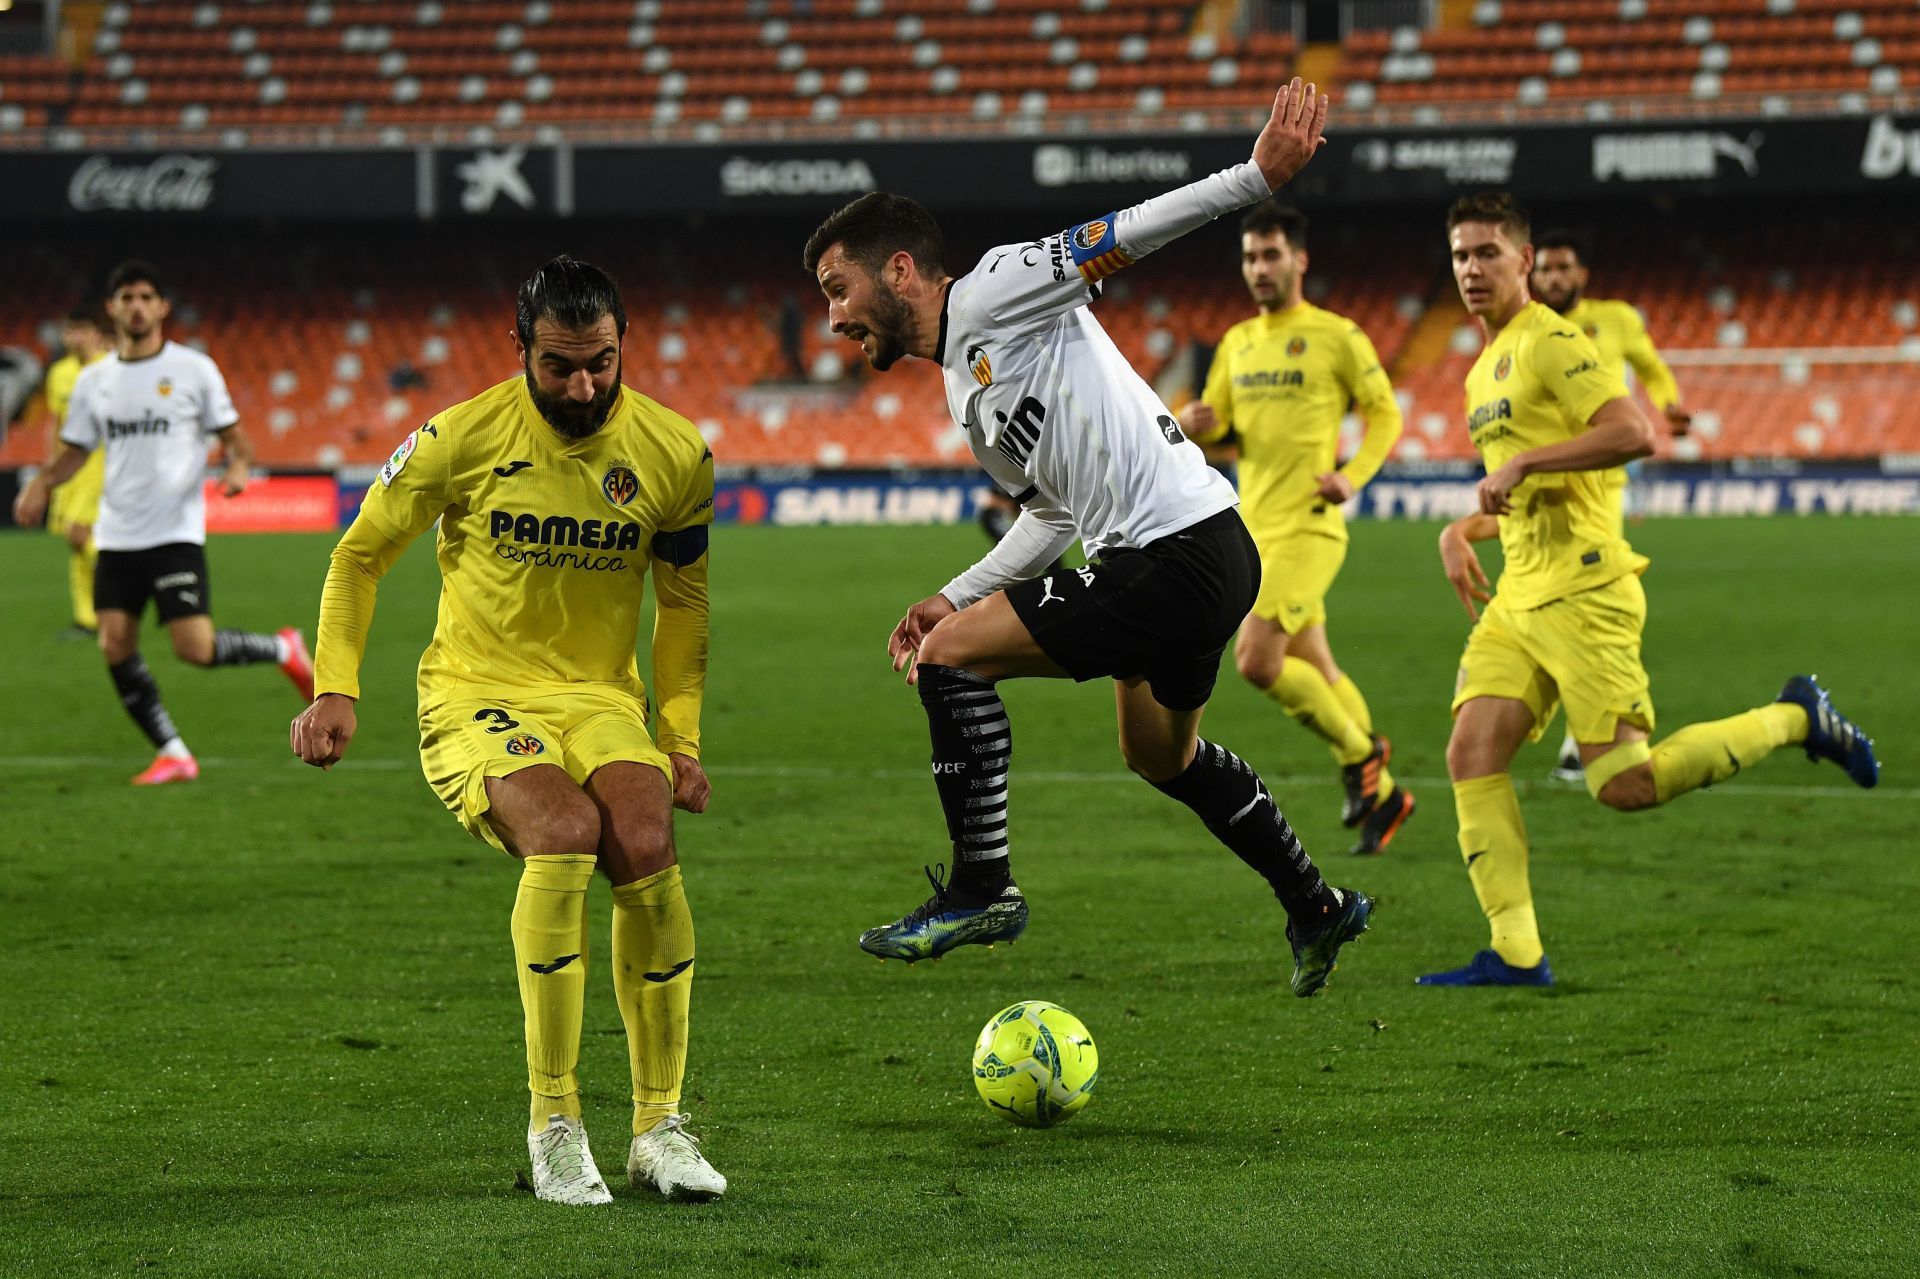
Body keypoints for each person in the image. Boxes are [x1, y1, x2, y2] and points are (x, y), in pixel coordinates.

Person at [802, 78, 1374, 998]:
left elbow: (1124, 234)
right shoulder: (964, 390)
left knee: (948, 662)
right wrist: (953, 592)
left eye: (840, 289)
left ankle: (982, 886)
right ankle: (1315, 902)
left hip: (1177, 549)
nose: (833, 317)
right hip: (1198, 552)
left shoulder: (994, 286)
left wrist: (1254, 179)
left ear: (900, 269)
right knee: (1159, 756)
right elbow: (1053, 515)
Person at [288, 256, 725, 1206]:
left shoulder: (676, 452)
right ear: (518, 345)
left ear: (622, 345)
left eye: (601, 363)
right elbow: (359, 556)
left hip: (599, 696)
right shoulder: (460, 436)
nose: (583, 386)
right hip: (476, 691)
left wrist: (679, 737)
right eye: (561, 365)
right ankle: (555, 1123)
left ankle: (659, 1127)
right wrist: (336, 687)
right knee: (566, 832)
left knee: (647, 842)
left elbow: (684, 604)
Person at [1421, 194, 1879, 989]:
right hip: (1521, 596)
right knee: (1470, 749)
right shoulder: (1480, 369)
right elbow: (1519, 493)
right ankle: (1517, 952)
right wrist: (1462, 528)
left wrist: (1525, 463)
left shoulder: (1553, 342)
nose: (1471, 269)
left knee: (1623, 783)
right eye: (1460, 255)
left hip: (1585, 592)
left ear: (1525, 261)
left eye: (1487, 253)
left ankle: (1796, 716)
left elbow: (1633, 432)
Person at [11, 261, 314, 785]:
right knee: (113, 644)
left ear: (161, 308)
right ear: (113, 308)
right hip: (118, 534)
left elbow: (238, 440)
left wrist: (239, 468)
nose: (136, 306)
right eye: (126, 297)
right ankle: (174, 752)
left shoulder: (194, 370)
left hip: (174, 533)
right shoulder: (93, 382)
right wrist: (41, 484)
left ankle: (284, 648)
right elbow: (74, 452)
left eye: (146, 297)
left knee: (194, 650)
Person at [1179, 202, 1413, 855]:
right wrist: (1204, 425)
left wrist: (1353, 474)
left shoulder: (1337, 335)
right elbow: (1226, 430)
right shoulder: (1235, 343)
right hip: (1253, 528)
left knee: (1255, 659)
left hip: (1310, 525)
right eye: (1251, 257)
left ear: (1299, 259)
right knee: (1316, 664)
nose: (1259, 268)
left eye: (1271, 254)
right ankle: (1387, 794)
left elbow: (1385, 414)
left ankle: (1362, 751)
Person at [1531, 229, 1692, 784]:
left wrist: (1669, 404)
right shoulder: (1525, 327)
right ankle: (1582, 720)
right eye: (1545, 269)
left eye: (1563, 268)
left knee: (1586, 595)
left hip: (1601, 483)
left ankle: (1586, 737)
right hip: (1544, 483)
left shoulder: (1616, 319)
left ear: (1582, 275)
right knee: (1544, 600)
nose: (1553, 277)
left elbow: (1650, 367)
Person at [41, 309, 114, 638]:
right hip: (68, 464)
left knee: (77, 532)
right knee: (72, 543)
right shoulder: (59, 372)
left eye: (82, 330)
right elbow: (57, 423)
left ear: (97, 334)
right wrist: (51, 468)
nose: (75, 337)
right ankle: (87, 619)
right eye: (70, 331)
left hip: (98, 461)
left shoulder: (112, 368)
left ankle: (120, 574)